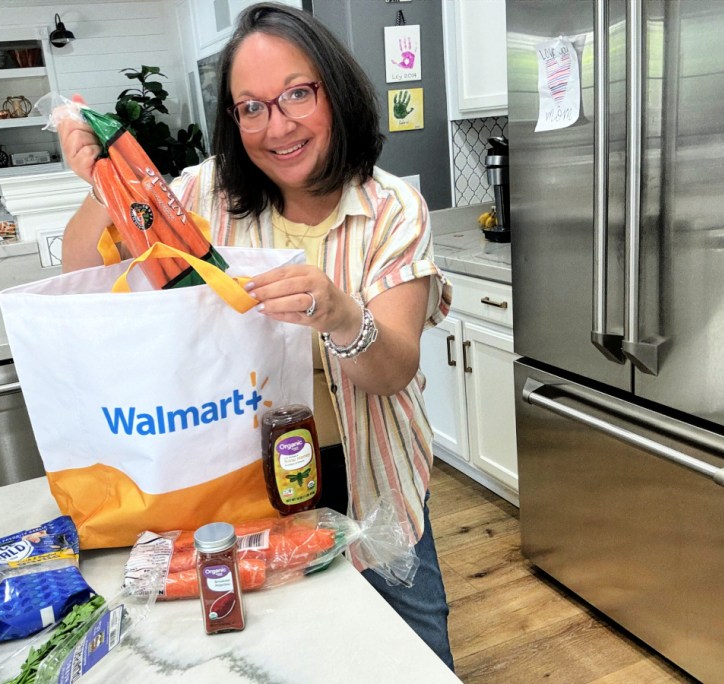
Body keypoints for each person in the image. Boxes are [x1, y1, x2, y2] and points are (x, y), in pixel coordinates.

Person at [57, 2, 455, 669]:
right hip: (247, 499)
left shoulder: (393, 210)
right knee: (286, 662)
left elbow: (392, 372)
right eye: (252, 107)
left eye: (299, 93)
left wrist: (339, 312)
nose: (278, 126)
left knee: (417, 660)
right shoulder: (207, 194)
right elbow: (82, 269)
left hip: (372, 486)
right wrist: (104, 180)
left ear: (338, 91)